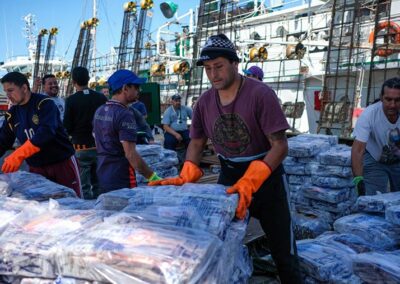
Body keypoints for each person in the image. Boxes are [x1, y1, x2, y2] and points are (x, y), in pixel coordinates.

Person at [149, 34, 301, 283]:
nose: (213, 74)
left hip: (266, 175)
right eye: (208, 69)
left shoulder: (260, 94)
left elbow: (280, 145)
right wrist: (188, 170)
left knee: (283, 247)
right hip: (229, 177)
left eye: (218, 66)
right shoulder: (204, 103)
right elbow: (197, 142)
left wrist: (253, 179)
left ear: (234, 63)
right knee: (221, 244)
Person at [0, 72, 82, 197]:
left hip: (61, 162)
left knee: (74, 202)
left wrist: (18, 154)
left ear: (24, 88)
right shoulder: (12, 115)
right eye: (6, 92)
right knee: (44, 206)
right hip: (37, 168)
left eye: (11, 90)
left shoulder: (44, 103)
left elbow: (46, 132)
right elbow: (3, 141)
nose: (8, 95)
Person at [93, 69, 160, 192]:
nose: (139, 90)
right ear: (125, 88)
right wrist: (153, 177)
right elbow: (131, 155)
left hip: (103, 172)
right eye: (136, 87)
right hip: (121, 176)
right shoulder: (125, 114)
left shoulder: (100, 110)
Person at [63, 67, 108, 199]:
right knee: (98, 181)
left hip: (81, 146)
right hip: (100, 146)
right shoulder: (100, 98)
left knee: (83, 184)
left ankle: (88, 210)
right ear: (88, 79)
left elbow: (67, 125)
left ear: (74, 81)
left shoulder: (71, 100)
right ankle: (101, 203)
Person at [351, 77, 400, 196]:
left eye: (397, 100)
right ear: (381, 97)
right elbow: (358, 150)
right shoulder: (369, 114)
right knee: (373, 200)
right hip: (375, 158)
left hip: (398, 160)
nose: (392, 105)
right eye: (388, 99)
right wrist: (358, 179)